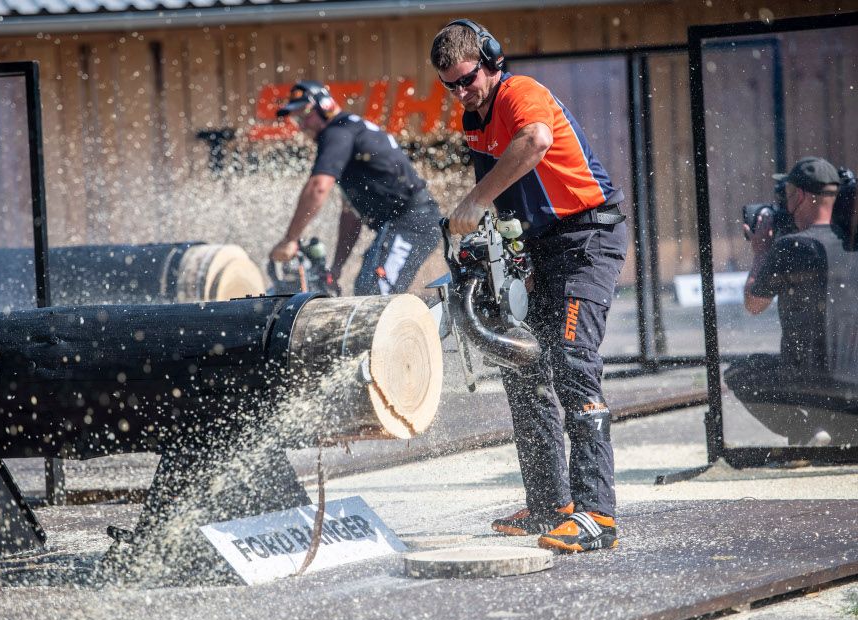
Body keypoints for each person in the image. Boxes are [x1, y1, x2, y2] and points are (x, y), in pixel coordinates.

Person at [430, 19, 628, 553]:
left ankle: (597, 514)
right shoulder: (473, 120)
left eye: (467, 79)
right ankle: (548, 503)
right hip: (542, 247)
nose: (461, 92)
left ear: (491, 60)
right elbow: (504, 198)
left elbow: (536, 141)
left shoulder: (521, 93)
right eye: (450, 85)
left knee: (572, 362)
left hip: (587, 237)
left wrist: (473, 202)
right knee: (524, 365)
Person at [725, 156, 858, 448]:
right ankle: (837, 431)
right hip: (854, 390)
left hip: (812, 386)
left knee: (740, 372)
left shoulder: (792, 246)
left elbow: (754, 304)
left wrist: (761, 251)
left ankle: (806, 431)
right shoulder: (851, 245)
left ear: (800, 196)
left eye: (786, 196)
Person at [269, 81, 441, 296]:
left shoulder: (337, 131)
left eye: (305, 115)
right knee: (363, 291)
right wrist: (336, 269)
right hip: (399, 224)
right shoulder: (347, 133)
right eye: (296, 120)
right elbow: (351, 215)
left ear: (325, 106)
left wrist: (290, 239)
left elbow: (318, 188)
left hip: (413, 223)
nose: (302, 125)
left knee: (376, 296)